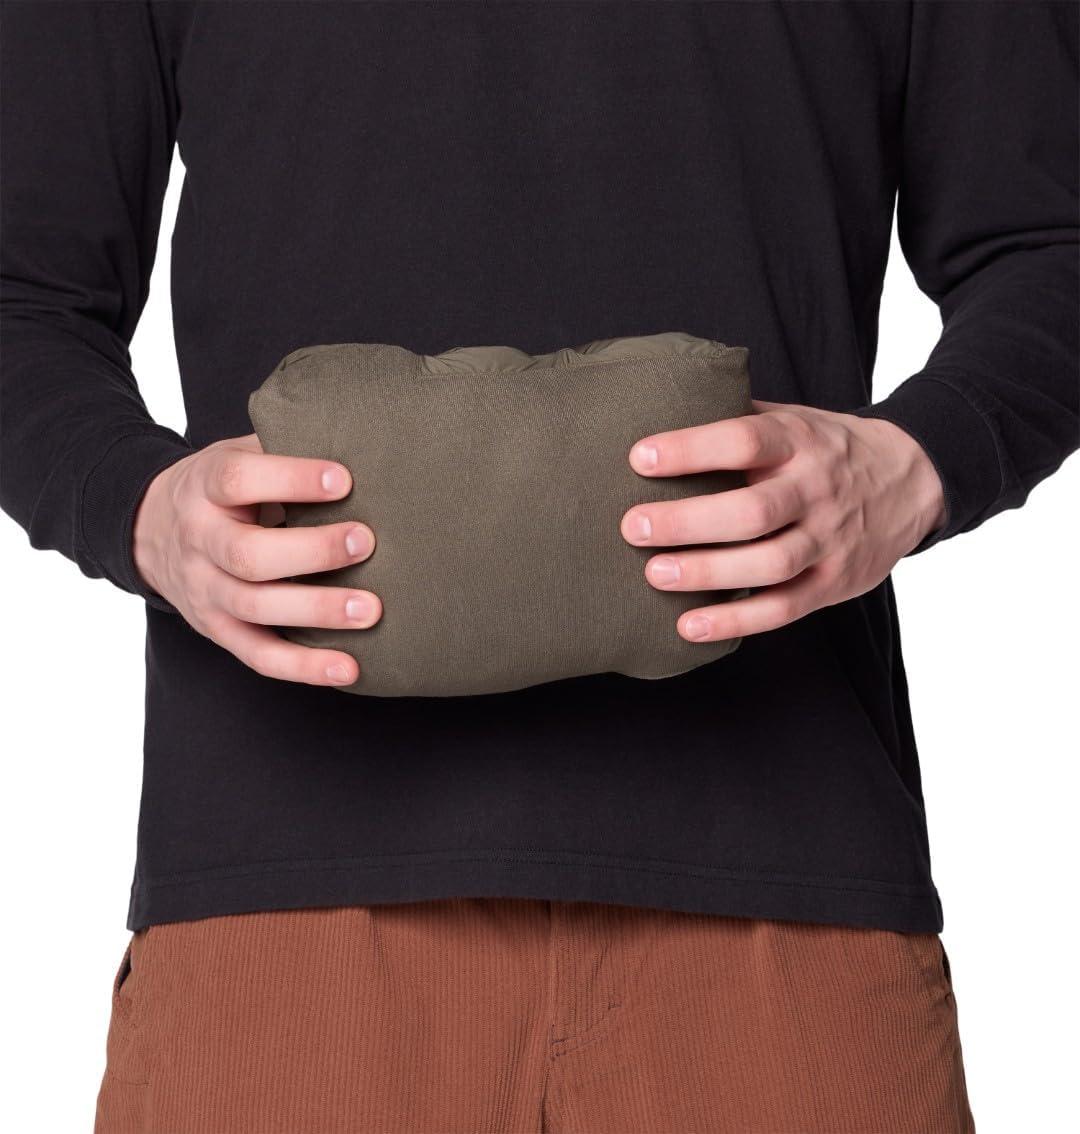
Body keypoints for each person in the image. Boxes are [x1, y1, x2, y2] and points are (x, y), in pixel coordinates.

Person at [1, 3, 1076, 1132]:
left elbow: (1049, 245)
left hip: (788, 883)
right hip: (281, 896)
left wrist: (918, 461)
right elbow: (26, 293)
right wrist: (138, 506)